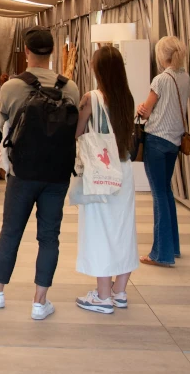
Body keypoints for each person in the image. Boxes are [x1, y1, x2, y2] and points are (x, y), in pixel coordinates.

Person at [0, 26, 79, 320]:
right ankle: (40, 302)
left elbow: (5, 130)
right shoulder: (70, 88)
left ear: (27, 52)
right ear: (52, 52)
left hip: (23, 172)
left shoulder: (11, 88)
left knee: (11, 231)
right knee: (49, 236)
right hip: (58, 173)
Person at [73, 45, 138, 313]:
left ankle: (102, 297)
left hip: (100, 169)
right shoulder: (128, 98)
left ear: (97, 69)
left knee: (99, 229)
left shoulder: (91, 98)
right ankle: (119, 292)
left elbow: (77, 132)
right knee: (123, 228)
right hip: (124, 168)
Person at [136, 35, 190, 268]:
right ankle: (173, 247)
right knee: (166, 192)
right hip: (174, 142)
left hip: (156, 140)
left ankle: (161, 254)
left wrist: (141, 107)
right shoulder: (185, 77)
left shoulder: (160, 80)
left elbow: (146, 111)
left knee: (159, 195)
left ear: (161, 55)